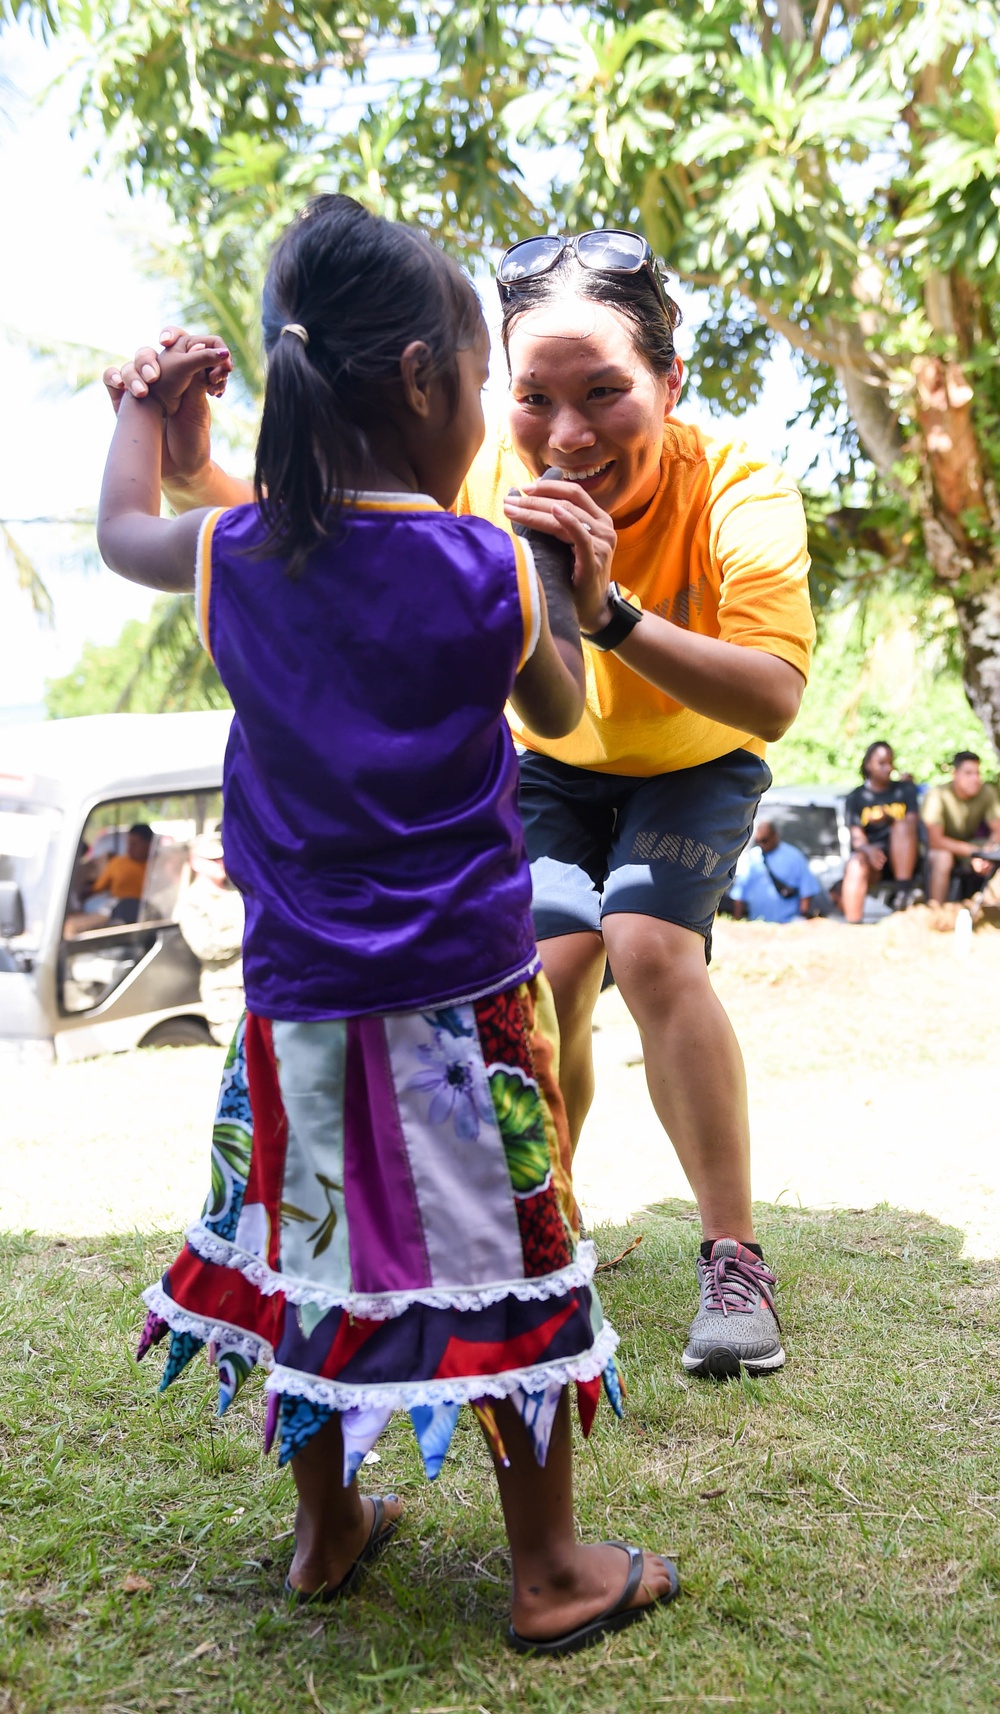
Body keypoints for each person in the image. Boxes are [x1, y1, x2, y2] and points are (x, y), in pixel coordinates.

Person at [97, 196, 677, 1652]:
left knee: (307, 1251)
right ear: (426, 382)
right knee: (514, 1250)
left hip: (295, 997)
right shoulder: (484, 563)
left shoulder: (238, 549)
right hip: (463, 1001)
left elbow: (121, 533)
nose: (492, 413)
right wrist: (570, 583)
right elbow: (554, 713)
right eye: (486, 384)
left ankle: (326, 1525)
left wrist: (139, 412)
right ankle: (548, 1567)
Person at [107, 227, 814, 1382]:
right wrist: (193, 460)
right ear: (483, 390)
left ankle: (732, 1255)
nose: (566, 433)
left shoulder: (741, 489)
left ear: (669, 385)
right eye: (530, 396)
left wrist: (614, 613)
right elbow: (333, 540)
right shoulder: (480, 474)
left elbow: (774, 698)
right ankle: (549, 1235)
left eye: (604, 395)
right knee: (551, 964)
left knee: (644, 947)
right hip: (549, 757)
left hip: (694, 755)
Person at [176, 829, 245, 1044]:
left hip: (254, 980)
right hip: (227, 990)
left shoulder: (237, 889)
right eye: (212, 860)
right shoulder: (193, 900)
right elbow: (205, 946)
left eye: (222, 858)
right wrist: (248, 932)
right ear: (195, 862)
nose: (220, 863)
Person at [842, 743, 919, 921]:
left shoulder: (904, 790)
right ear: (868, 764)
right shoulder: (856, 798)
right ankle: (853, 924)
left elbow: (912, 824)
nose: (888, 768)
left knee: (901, 826)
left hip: (905, 857)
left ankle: (903, 895)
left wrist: (889, 818)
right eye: (882, 763)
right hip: (874, 859)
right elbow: (857, 837)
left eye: (890, 763)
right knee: (856, 863)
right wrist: (868, 850)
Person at [922, 751, 1000, 903]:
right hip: (940, 848)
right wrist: (976, 853)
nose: (975, 779)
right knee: (942, 858)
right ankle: (937, 911)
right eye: (968, 773)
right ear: (955, 774)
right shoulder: (937, 795)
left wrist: (989, 851)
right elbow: (935, 840)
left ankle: (990, 907)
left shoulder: (987, 792)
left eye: (977, 773)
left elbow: (998, 830)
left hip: (972, 846)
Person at [64, 823, 154, 935]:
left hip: (147, 912)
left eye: (135, 844)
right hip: (117, 909)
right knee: (71, 927)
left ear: (149, 845)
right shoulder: (118, 863)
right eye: (129, 843)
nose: (130, 848)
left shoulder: (158, 865)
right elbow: (97, 887)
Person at [728, 820, 819, 924]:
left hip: (787, 925)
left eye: (765, 840)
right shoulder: (752, 857)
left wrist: (802, 918)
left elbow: (807, 890)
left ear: (775, 836)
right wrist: (737, 921)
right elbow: (740, 893)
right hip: (757, 924)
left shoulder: (794, 857)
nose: (762, 844)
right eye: (758, 841)